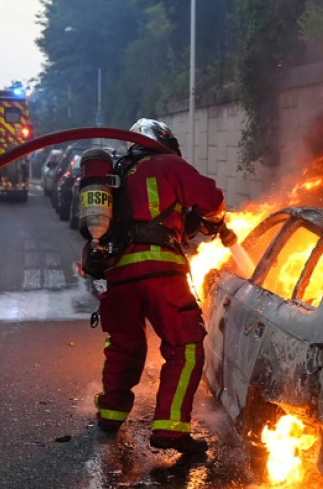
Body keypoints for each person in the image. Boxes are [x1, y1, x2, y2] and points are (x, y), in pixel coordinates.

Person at [91, 118, 225, 454]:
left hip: (118, 276)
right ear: (165, 142)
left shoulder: (116, 174)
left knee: (124, 346)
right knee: (186, 347)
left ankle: (110, 413)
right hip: (159, 272)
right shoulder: (169, 163)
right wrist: (215, 219)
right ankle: (171, 430)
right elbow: (211, 197)